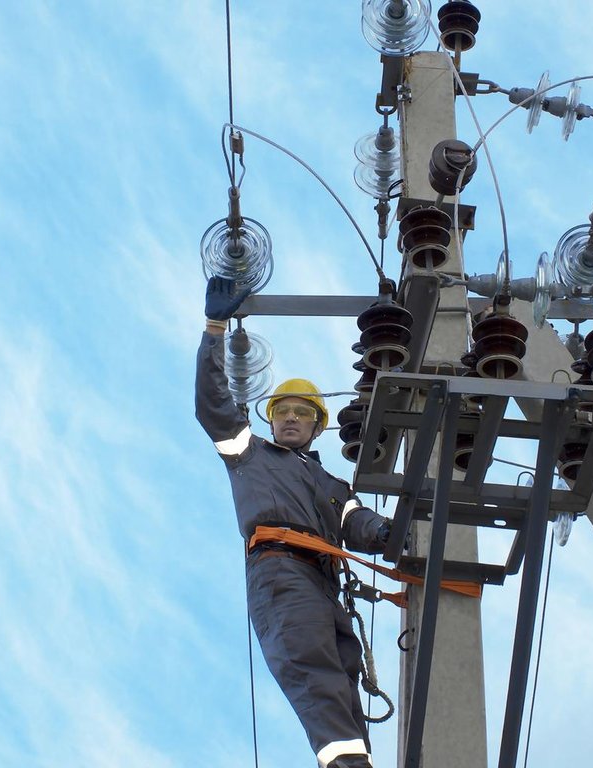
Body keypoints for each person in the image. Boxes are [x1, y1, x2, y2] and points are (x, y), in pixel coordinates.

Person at [196, 276, 394, 768]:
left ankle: (358, 762)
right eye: (281, 410)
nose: (289, 418)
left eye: (300, 412)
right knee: (316, 677)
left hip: (325, 583)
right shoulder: (249, 452)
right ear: (269, 418)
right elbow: (212, 404)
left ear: (316, 424)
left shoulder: (332, 486)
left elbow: (359, 523)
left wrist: (394, 532)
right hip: (281, 573)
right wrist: (214, 329)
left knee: (346, 680)